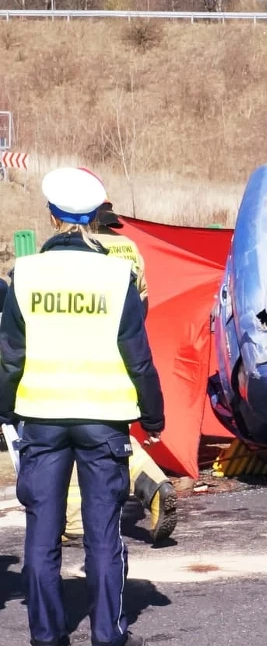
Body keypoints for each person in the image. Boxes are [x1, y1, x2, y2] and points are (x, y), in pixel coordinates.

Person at [0, 167, 164, 646]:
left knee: (42, 530)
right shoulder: (118, 277)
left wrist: (8, 412)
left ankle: (46, 639)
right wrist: (153, 417)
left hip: (42, 420)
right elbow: (138, 356)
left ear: (51, 216)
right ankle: (106, 639)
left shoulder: (22, 275)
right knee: (103, 531)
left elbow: (10, 356)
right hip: (102, 420)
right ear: (95, 216)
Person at [60, 198, 177, 544]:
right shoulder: (129, 248)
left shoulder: (76, 252)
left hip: (80, 356)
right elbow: (141, 305)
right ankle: (153, 483)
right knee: (111, 435)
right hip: (122, 354)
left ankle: (74, 523)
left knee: (70, 434)